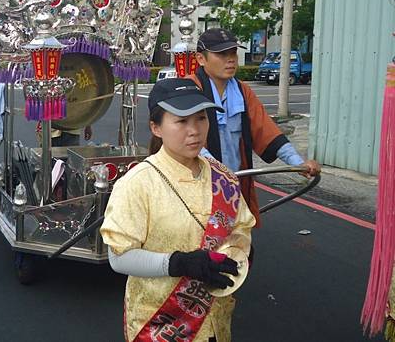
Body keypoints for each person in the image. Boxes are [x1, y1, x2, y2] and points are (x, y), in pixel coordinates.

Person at [101, 78, 256, 342]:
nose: (194, 130)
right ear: (156, 127)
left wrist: (241, 252)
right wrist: (178, 263)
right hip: (160, 325)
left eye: (200, 118)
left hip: (215, 323)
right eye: (182, 121)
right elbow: (119, 258)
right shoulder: (138, 183)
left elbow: (240, 231)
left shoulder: (224, 178)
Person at [190, 28, 321, 226]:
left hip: (236, 184)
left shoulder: (243, 91)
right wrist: (218, 171)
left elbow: (266, 129)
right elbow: (184, 139)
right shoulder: (189, 89)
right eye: (222, 54)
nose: (231, 59)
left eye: (233, 53)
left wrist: (298, 163)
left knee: (239, 246)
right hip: (199, 185)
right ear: (201, 58)